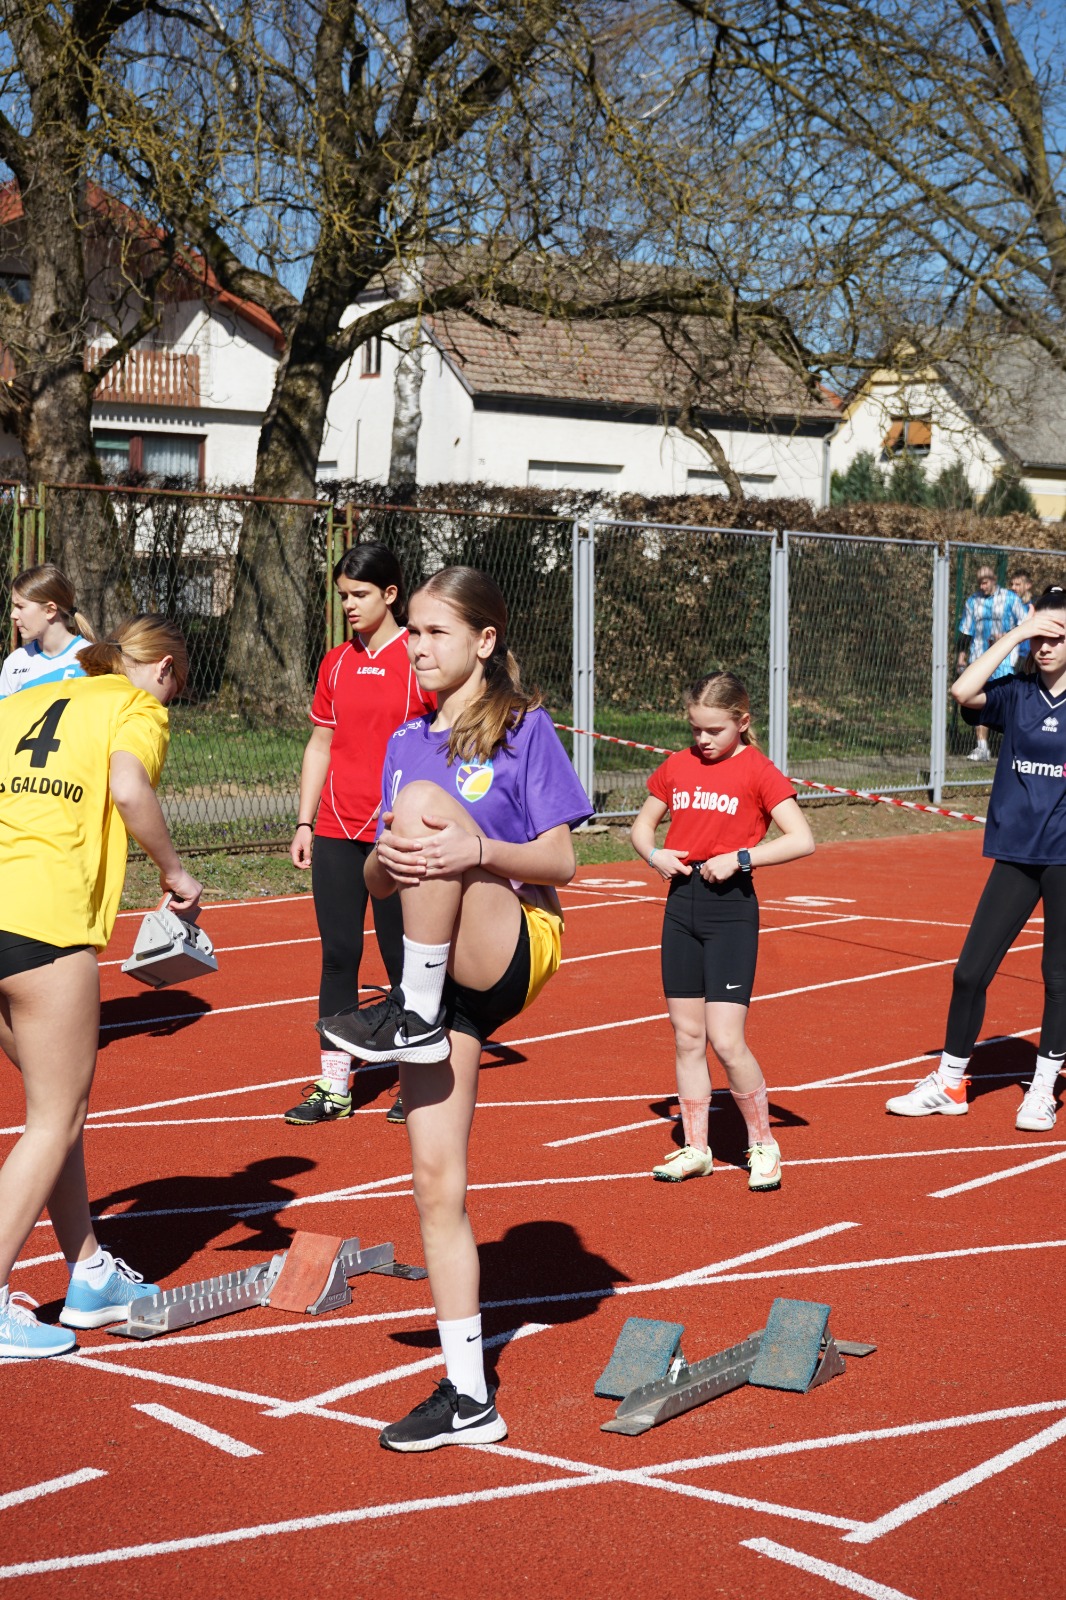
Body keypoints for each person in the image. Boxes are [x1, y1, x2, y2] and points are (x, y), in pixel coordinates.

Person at [317, 566, 592, 1450]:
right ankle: (470, 1396)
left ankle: (412, 1008)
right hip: (438, 984)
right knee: (436, 1184)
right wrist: (386, 862)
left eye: (438, 632)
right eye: (417, 632)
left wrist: (473, 848)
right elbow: (376, 878)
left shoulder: (523, 727)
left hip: (511, 941)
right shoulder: (405, 740)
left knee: (430, 809)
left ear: (485, 640)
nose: (420, 647)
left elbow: (561, 862)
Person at [0, 616, 202, 1357]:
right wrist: (175, 873)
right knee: (55, 1116)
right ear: (165, 669)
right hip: (44, 916)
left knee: (58, 1108)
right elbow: (127, 786)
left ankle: (88, 1272)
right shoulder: (137, 706)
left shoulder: (22, 701)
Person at [888, 585, 1066, 1132]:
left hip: (1064, 859)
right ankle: (950, 1084)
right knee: (969, 972)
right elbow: (963, 691)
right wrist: (1016, 632)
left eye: (1057, 636)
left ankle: (1042, 1090)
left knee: (1058, 976)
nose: (1045, 646)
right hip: (1016, 855)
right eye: (1039, 636)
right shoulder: (1016, 694)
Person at [630, 672, 814, 1191]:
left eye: (714, 730)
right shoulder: (678, 764)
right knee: (687, 1036)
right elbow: (641, 827)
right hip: (681, 906)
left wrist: (741, 858)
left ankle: (763, 1144)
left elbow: (801, 839)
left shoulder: (758, 770)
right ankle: (697, 1149)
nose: (703, 739)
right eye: (696, 729)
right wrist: (654, 854)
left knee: (727, 1040)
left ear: (742, 721)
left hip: (730, 909)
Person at [283, 543, 434, 1129]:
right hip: (336, 828)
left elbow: (442, 741)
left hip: (396, 833)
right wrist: (305, 820)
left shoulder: (418, 659)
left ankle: (412, 1077)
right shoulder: (336, 662)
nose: (348, 604)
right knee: (339, 955)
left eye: (360, 594)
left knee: (403, 958)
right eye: (343, 595)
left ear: (390, 595)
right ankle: (335, 1085)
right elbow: (320, 743)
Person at [956, 566, 1027, 761]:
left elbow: (1026, 623)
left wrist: (1006, 636)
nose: (982, 586)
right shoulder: (973, 601)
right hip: (979, 659)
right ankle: (982, 747)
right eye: (979, 582)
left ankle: (1013, 746)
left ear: (994, 579)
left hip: (1005, 660)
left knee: (1009, 702)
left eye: (985, 582)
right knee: (978, 699)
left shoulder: (1010, 598)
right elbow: (966, 632)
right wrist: (962, 657)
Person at [0, 563, 95, 698]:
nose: (13, 615)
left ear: (49, 610)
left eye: (20, 606)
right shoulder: (15, 662)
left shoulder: (92, 660)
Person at [1011, 569, 1034, 664]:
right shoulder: (1006, 605)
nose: (1013, 587)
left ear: (1028, 585)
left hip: (1026, 656)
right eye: (1012, 584)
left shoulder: (1034, 606)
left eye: (1017, 585)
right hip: (1009, 654)